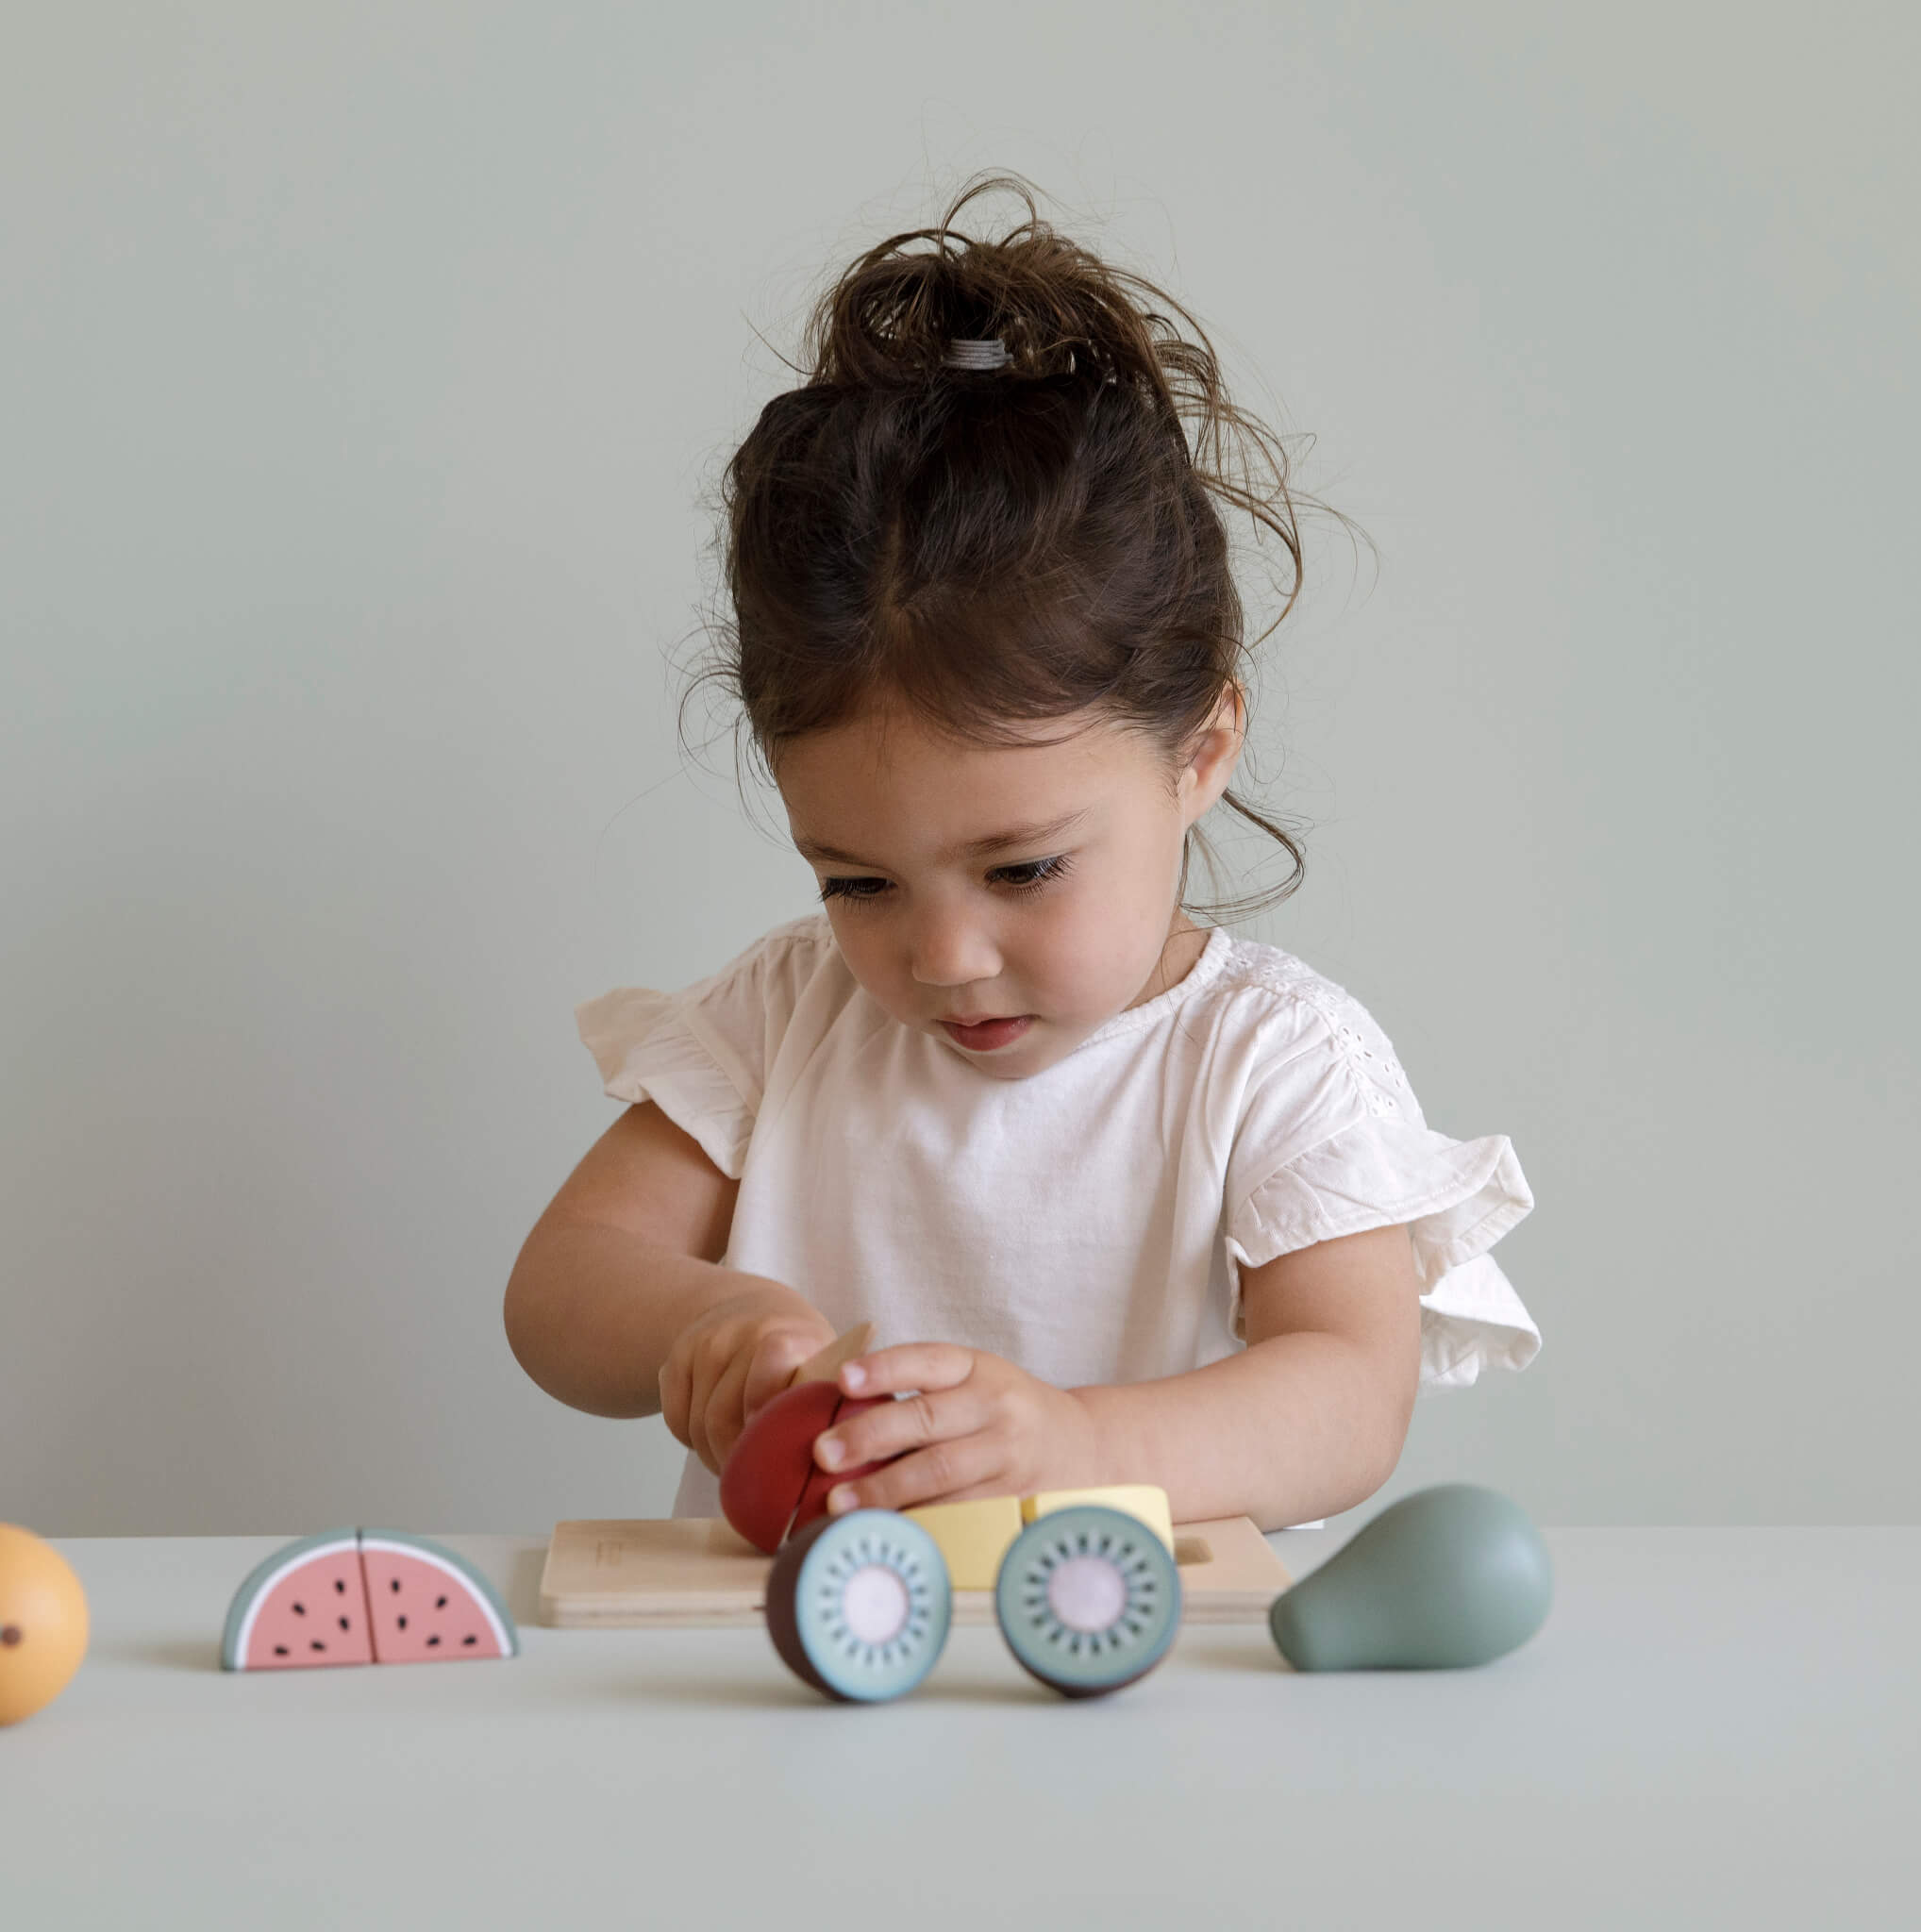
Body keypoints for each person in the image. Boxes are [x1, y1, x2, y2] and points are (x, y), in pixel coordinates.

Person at [504, 173, 1540, 1535]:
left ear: (1201, 753)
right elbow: (560, 1286)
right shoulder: (782, 1022)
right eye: (856, 881)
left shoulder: (1270, 1063)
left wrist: (1072, 1442)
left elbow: (1349, 1396)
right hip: (787, 1689)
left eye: (1022, 871)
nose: (940, 957)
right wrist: (706, 1315)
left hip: (1119, 1693)